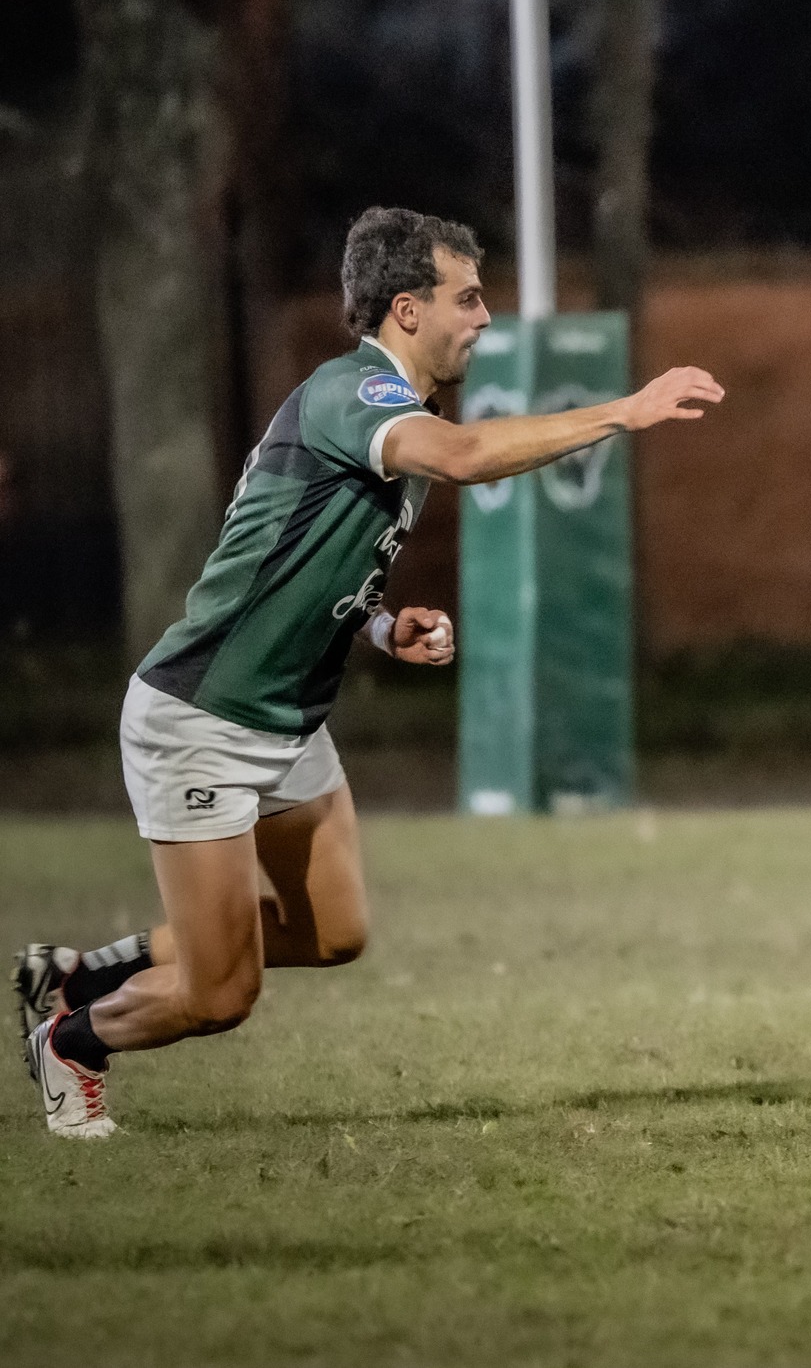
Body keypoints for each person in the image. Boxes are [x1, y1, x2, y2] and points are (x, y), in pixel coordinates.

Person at [14, 206, 725, 1138]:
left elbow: (305, 572)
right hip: (203, 719)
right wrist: (624, 410)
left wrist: (386, 628)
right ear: (405, 310)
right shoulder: (356, 394)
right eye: (467, 299)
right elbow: (472, 458)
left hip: (289, 720)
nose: (483, 318)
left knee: (335, 934)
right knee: (223, 994)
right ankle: (71, 1039)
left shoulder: (394, 414)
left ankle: (84, 971)